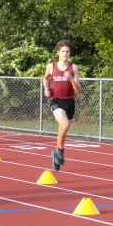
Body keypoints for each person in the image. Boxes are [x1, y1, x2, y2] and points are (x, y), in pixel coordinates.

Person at [43, 40, 81, 171]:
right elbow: (45, 78)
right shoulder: (51, 66)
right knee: (64, 125)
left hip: (69, 102)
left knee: (63, 130)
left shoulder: (74, 67)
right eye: (63, 51)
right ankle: (60, 151)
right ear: (58, 52)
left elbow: (78, 90)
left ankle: (56, 153)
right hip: (56, 101)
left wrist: (70, 78)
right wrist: (46, 88)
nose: (65, 53)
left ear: (70, 53)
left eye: (67, 51)